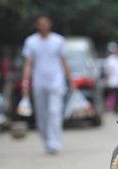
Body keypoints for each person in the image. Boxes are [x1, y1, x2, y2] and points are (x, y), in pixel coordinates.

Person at [22, 16, 75, 155]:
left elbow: (64, 61)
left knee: (54, 112)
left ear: (50, 25)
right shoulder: (31, 41)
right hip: (39, 82)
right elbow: (28, 63)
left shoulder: (58, 40)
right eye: (41, 24)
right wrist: (25, 81)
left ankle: (54, 142)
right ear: (37, 25)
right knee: (42, 115)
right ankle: (46, 140)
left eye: (46, 23)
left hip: (56, 82)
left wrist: (71, 80)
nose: (43, 26)